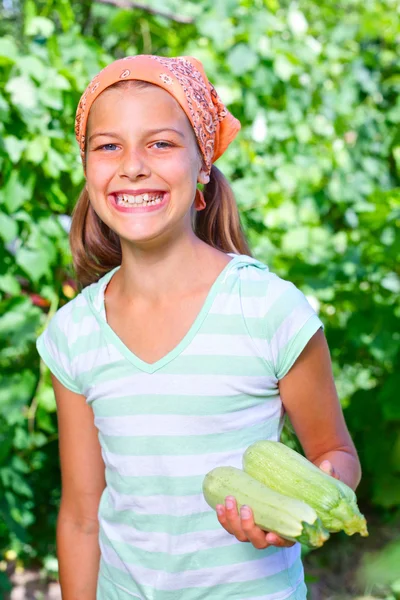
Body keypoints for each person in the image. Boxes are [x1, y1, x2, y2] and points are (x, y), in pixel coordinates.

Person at [36, 55, 362, 599]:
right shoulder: (75, 334)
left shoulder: (269, 310)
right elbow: (81, 518)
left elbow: (337, 455)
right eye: (107, 145)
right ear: (87, 166)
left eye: (160, 143)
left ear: (204, 163)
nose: (132, 165)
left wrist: (302, 508)